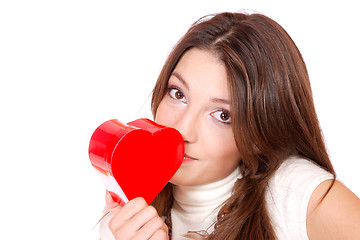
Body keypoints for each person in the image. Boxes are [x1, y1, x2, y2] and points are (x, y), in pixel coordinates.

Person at [99, 12, 360, 240]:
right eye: (178, 94)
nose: (183, 131)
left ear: (260, 134)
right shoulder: (127, 217)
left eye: (223, 114)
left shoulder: (297, 195)